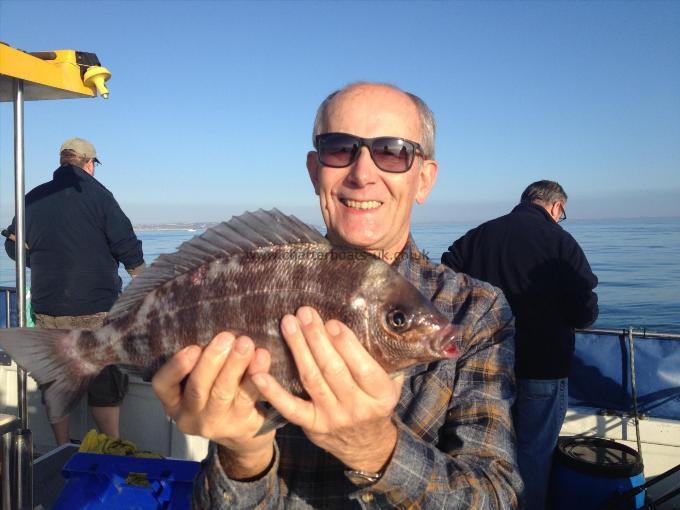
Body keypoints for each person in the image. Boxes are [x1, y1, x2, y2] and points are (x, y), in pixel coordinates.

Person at [152, 83, 523, 508]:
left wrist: (374, 448)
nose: (362, 174)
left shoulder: (476, 311)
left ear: (424, 179)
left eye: (393, 151)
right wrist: (244, 453)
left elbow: (498, 497)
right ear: (315, 171)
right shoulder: (258, 271)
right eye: (339, 148)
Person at [441, 180, 599, 510]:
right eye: (562, 213)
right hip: (542, 368)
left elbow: (445, 275)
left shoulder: (480, 235)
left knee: (482, 452)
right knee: (533, 456)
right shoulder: (561, 244)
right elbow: (585, 312)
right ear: (556, 207)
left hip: (485, 368)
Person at [4, 137, 145, 445]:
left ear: (62, 162)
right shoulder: (99, 195)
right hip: (96, 309)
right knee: (103, 383)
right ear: (89, 164)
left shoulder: (34, 198)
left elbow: (12, 245)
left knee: (57, 382)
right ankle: (110, 449)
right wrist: (144, 282)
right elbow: (127, 245)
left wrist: (38, 262)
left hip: (49, 310)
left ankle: (61, 450)